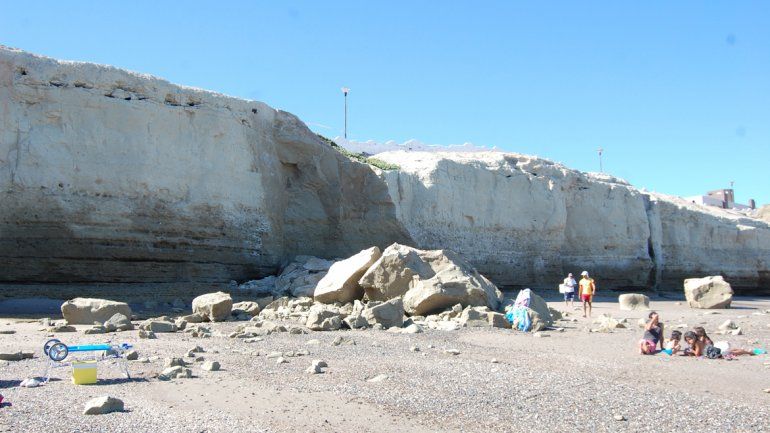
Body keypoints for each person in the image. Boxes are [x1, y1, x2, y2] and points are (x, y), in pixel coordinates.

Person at [682, 331, 759, 358]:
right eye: (687, 340)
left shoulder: (697, 343)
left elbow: (697, 354)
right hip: (712, 349)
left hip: (712, 351)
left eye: (690, 339)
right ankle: (748, 351)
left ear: (694, 337)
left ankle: (749, 352)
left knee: (731, 352)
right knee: (730, 350)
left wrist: (692, 351)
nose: (689, 341)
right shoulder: (697, 341)